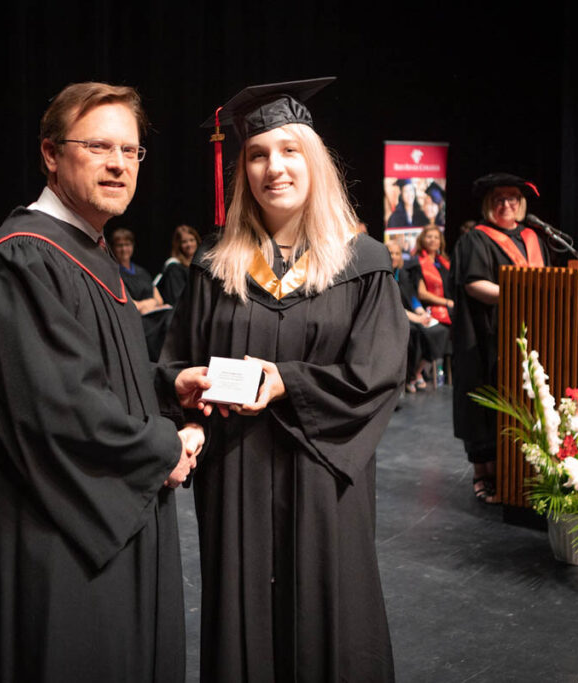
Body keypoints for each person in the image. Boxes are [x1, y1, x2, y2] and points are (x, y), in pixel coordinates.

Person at [0, 81, 202, 682]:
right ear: (50, 154)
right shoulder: (22, 259)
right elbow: (54, 407)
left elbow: (93, 371)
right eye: (98, 146)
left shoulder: (82, 251)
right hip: (60, 538)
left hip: (104, 518)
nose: (119, 164)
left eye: (131, 151)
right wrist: (166, 447)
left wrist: (168, 385)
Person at [158, 78, 406, 682]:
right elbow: (176, 363)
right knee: (242, 615)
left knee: (329, 610)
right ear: (241, 170)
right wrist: (187, 418)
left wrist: (286, 384)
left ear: (315, 162)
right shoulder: (215, 265)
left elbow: (376, 376)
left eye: (290, 150)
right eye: (258, 154)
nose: (276, 167)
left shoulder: (362, 263)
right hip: (235, 475)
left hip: (322, 475)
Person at [450, 172, 551, 504]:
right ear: (488, 204)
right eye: (498, 199)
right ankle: (484, 474)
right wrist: (519, 294)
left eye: (512, 198)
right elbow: (474, 284)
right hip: (485, 337)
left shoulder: (534, 238)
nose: (506, 204)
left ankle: (517, 472)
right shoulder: (475, 240)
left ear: (521, 204)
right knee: (482, 401)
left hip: (527, 336)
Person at [387, 241, 449, 393]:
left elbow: (413, 298)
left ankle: (416, 372)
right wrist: (415, 318)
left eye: (397, 253)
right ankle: (407, 378)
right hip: (392, 318)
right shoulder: (383, 276)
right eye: (391, 253)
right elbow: (390, 305)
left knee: (440, 331)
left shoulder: (402, 274)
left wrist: (421, 312)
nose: (394, 257)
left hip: (412, 315)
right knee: (414, 333)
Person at [110, 227, 173, 361]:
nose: (123, 249)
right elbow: (131, 305)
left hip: (153, 316)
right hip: (136, 322)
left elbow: (159, 299)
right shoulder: (112, 272)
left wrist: (150, 303)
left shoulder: (142, 272)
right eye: (119, 245)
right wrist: (148, 304)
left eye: (127, 245)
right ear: (113, 248)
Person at [410, 225, 453, 326]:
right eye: (429, 237)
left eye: (436, 237)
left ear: (440, 242)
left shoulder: (445, 263)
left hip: (450, 309)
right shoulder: (417, 263)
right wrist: (447, 302)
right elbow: (422, 293)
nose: (432, 240)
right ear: (422, 240)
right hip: (430, 311)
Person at [155, 224, 201, 306]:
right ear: (178, 245)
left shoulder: (200, 264)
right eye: (184, 242)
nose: (189, 244)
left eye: (192, 240)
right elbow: (176, 298)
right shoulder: (174, 267)